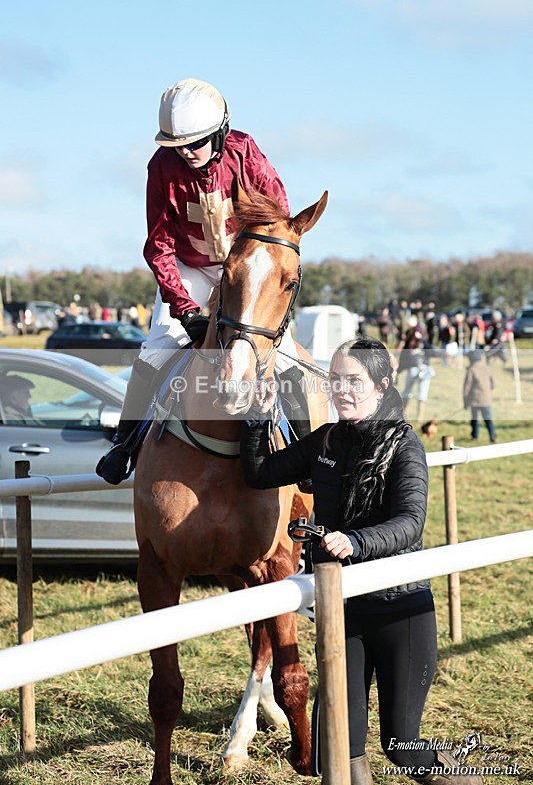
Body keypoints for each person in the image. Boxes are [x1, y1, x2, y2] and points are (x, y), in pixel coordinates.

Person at [241, 338, 482, 785]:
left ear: (381, 385)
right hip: (344, 612)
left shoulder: (404, 444)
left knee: (401, 746)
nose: (342, 390)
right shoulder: (327, 439)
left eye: (354, 381)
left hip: (401, 608)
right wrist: (257, 418)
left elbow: (410, 523)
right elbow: (260, 474)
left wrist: (355, 542)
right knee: (337, 745)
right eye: (335, 380)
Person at [97, 77, 306, 484]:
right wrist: (185, 308)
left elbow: (280, 223)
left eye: (195, 143)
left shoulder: (246, 154)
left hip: (244, 268)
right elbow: (158, 245)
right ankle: (124, 445)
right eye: (177, 146)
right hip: (189, 269)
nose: (186, 153)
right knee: (157, 347)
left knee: (289, 358)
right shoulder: (160, 167)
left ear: (220, 132)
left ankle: (306, 453)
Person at [463, 350, 496, 443]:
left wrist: (465, 401)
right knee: (488, 418)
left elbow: (467, 388)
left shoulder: (471, 370)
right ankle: (492, 435)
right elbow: (493, 384)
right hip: (486, 400)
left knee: (474, 418)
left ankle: (475, 436)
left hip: (475, 400)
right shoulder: (486, 368)